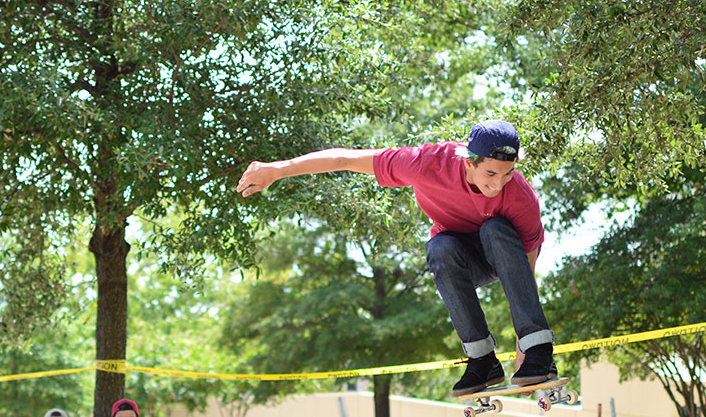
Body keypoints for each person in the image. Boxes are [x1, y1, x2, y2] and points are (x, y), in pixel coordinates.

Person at [236, 120, 556, 396]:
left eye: (507, 174)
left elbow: (526, 264)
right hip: (460, 259)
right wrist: (278, 169)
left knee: (496, 230)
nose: (497, 184)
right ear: (468, 161)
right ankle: (482, 360)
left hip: (501, 255)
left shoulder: (520, 197)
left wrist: (525, 341)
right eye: (490, 173)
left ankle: (541, 349)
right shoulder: (427, 163)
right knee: (439, 246)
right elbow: (345, 159)